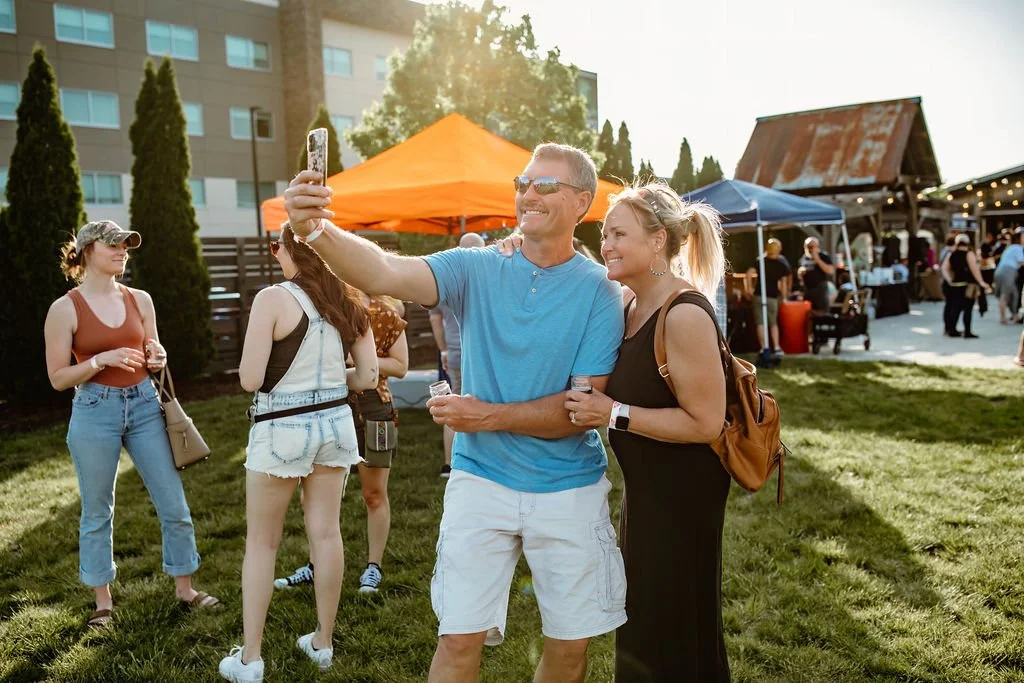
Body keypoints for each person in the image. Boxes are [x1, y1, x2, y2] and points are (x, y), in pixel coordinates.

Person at [284, 142, 626, 683]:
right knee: (457, 642)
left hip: (568, 490)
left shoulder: (601, 293)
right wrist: (315, 231)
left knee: (568, 650)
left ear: (582, 202)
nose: (527, 193)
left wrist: (485, 416)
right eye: (522, 182)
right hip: (480, 483)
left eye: (545, 185)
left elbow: (579, 411)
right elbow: (385, 273)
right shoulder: (476, 266)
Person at [496, 182, 731, 680]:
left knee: (674, 623)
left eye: (619, 234)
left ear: (658, 243)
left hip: (684, 495)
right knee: (645, 619)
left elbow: (707, 422)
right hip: (646, 493)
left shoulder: (684, 314)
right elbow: (568, 274)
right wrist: (520, 249)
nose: (606, 245)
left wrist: (613, 413)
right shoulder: (629, 303)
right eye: (604, 234)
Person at [219, 225, 378, 681]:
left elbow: (250, 379)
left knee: (262, 542)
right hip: (336, 425)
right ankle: (322, 643)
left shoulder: (273, 298)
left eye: (276, 247)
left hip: (281, 427)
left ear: (290, 250)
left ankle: (250, 660)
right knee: (326, 535)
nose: (275, 255)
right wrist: (326, 383)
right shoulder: (350, 302)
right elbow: (367, 376)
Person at [43, 220, 219, 632]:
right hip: (94, 410)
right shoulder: (64, 308)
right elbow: (56, 377)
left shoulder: (140, 299)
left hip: (144, 406)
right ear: (88, 251)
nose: (123, 251)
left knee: (173, 503)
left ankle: (185, 588)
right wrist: (99, 361)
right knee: (97, 510)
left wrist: (157, 356)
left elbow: (153, 350)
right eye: (113, 246)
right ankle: (103, 604)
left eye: (126, 246)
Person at [275, 287, 409, 595]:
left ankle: (373, 568)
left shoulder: (386, 316)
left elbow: (401, 366)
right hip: (327, 408)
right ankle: (315, 565)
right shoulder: (323, 313)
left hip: (375, 410)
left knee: (374, 494)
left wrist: (363, 358)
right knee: (312, 496)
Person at [429, 232, 485, 479]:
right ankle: (474, 462)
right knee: (481, 404)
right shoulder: (487, 281)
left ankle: (449, 465)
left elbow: (435, 319)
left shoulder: (448, 282)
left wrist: (442, 348)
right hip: (480, 353)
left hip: (453, 351)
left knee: (452, 403)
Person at [941, 233, 991, 338]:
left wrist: (950, 279)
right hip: (967, 285)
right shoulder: (969, 254)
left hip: (955, 284)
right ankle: (967, 331)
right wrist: (981, 282)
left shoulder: (952, 254)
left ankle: (952, 329)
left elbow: (945, 268)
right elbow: (974, 270)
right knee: (968, 308)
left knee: (955, 307)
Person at [746, 237, 790, 354]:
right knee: (773, 323)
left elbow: (748, 274)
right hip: (772, 297)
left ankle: (763, 347)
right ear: (779, 250)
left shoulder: (759, 261)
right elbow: (783, 284)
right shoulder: (781, 265)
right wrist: (784, 298)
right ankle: (776, 347)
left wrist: (749, 289)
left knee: (760, 323)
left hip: (759, 295)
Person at [994, 227, 1024, 324]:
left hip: (1000, 270)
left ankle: (1014, 316)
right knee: (1005, 295)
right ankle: (1003, 318)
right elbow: (1021, 262)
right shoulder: (1018, 248)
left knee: (1014, 294)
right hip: (1008, 271)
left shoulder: (1010, 248)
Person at [797, 237, 835, 311]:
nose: (810, 249)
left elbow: (830, 271)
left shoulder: (823, 256)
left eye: (812, 247)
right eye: (808, 247)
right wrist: (800, 273)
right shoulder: (803, 258)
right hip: (807, 290)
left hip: (820, 290)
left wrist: (817, 259)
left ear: (817, 247)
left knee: (821, 313)